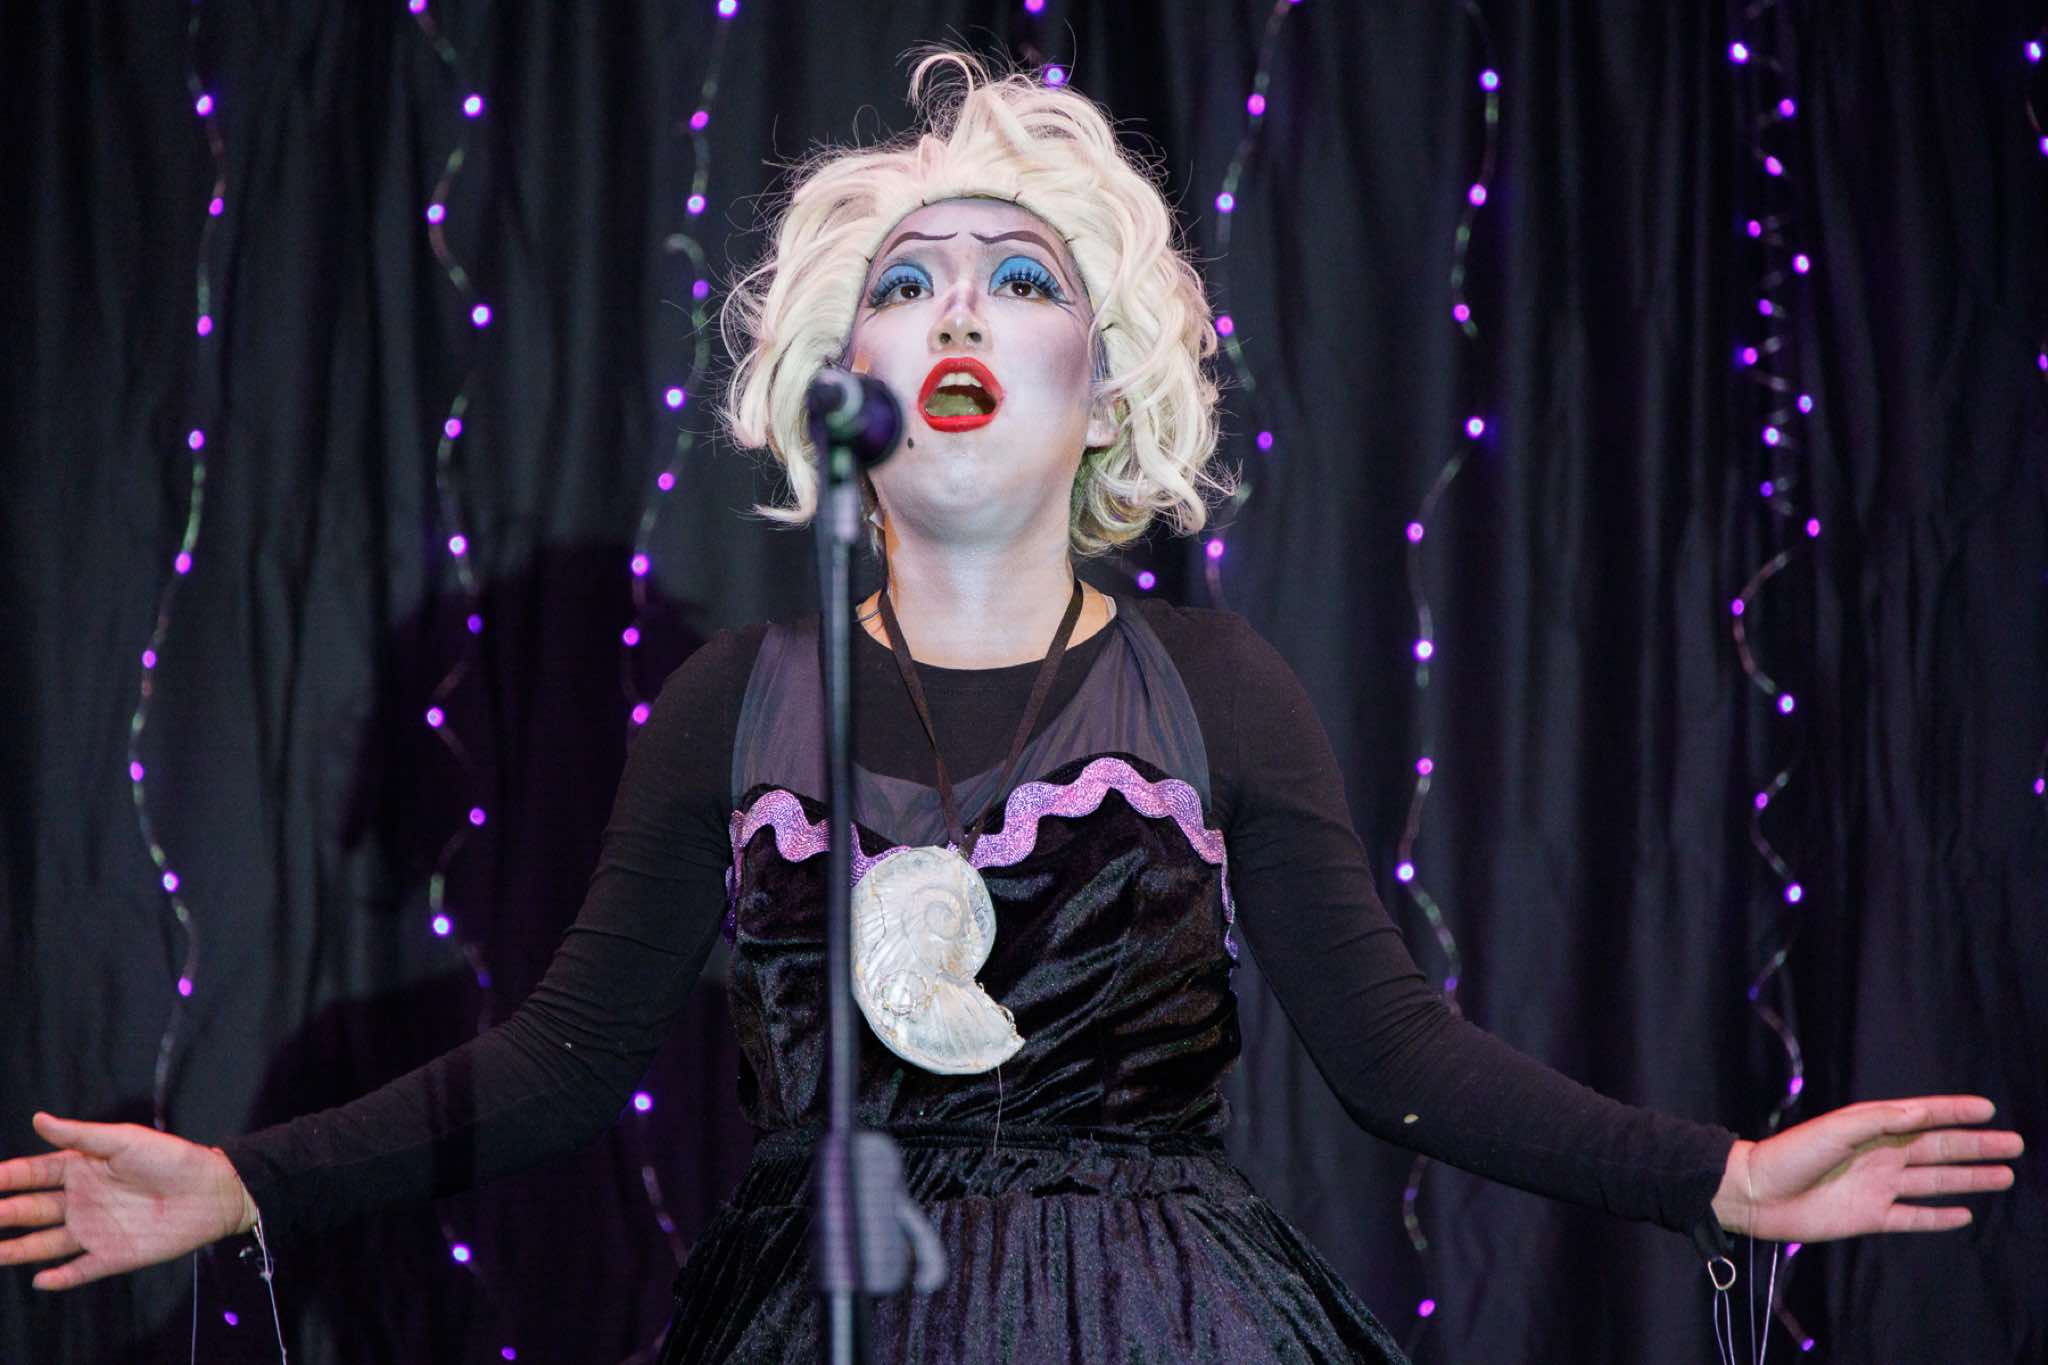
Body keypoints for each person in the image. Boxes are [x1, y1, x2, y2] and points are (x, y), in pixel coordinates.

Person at [0, 48, 2022, 1364]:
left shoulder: (1211, 686)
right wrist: (249, 1178)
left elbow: (1395, 1054)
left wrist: (1713, 1174)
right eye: (908, 279)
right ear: (844, 374)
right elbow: (555, 1061)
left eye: (1019, 277)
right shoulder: (735, 705)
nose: (958, 303)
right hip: (826, 1300)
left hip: (1166, 1316)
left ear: (1102, 381)